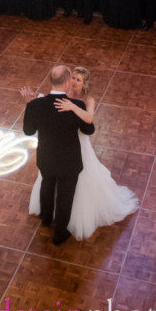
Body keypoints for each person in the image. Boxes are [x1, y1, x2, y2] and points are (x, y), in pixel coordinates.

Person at [26, 66, 138, 240]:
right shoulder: (58, 98)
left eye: (78, 80)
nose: (74, 82)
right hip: (64, 153)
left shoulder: (85, 101)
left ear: (85, 84)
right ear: (66, 81)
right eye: (73, 78)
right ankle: (54, 225)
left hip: (72, 148)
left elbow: (88, 125)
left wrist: (72, 107)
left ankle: (53, 219)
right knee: (57, 188)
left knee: (60, 185)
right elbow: (47, 105)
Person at [23, 64, 95, 245]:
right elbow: (88, 130)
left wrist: (29, 105)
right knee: (65, 195)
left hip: (46, 158)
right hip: (69, 161)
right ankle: (60, 233)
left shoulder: (36, 104)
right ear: (65, 83)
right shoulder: (76, 105)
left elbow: (28, 131)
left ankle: (46, 219)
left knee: (46, 186)